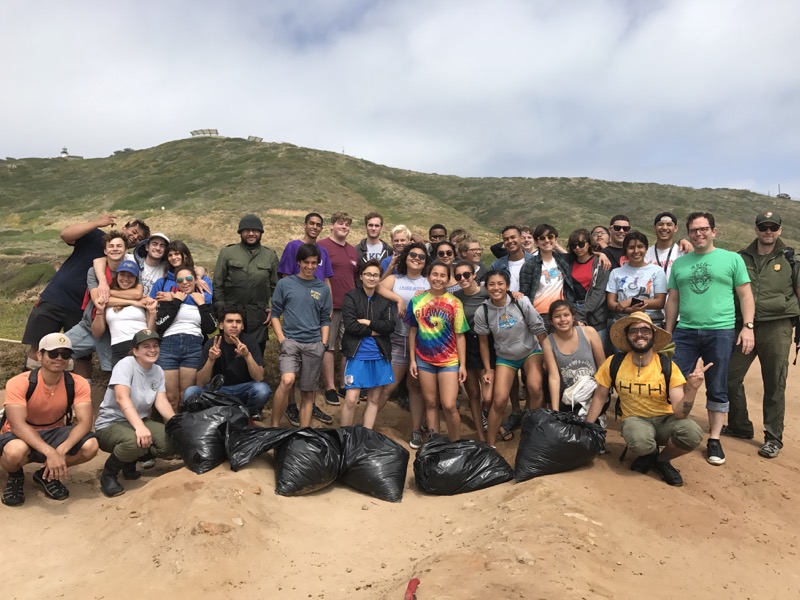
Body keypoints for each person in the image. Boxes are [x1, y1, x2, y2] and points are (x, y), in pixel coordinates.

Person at [665, 211, 755, 467]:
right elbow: (673, 299)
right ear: (688, 233)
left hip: (721, 330)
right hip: (685, 331)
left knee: (717, 384)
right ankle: (676, 428)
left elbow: (745, 295)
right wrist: (669, 331)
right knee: (676, 380)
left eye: (704, 229)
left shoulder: (731, 259)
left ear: (714, 231)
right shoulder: (680, 264)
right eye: (694, 230)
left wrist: (747, 327)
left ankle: (714, 438)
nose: (699, 234)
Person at [585, 313, 709, 487]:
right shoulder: (614, 363)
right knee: (639, 440)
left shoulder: (667, 366)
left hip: (666, 420)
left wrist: (691, 389)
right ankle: (649, 453)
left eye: (645, 329)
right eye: (633, 330)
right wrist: (588, 426)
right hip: (635, 420)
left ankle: (662, 459)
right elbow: (600, 396)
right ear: (627, 337)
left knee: (692, 433)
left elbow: (680, 413)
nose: (639, 334)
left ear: (653, 335)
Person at [22, 215, 147, 372]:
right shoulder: (97, 236)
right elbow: (65, 234)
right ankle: (28, 386)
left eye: (139, 237)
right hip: (56, 297)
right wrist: (96, 223)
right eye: (134, 231)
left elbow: (133, 289)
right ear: (124, 228)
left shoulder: (127, 264)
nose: (134, 237)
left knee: (80, 355)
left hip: (83, 310)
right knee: (39, 344)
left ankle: (79, 393)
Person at [724, 212, 800, 459]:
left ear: (779, 229)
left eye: (773, 227)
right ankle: (740, 426)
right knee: (730, 377)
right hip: (743, 325)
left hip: (777, 326)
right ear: (755, 229)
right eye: (763, 227)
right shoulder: (739, 257)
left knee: (774, 383)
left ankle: (773, 438)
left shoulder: (791, 258)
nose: (768, 231)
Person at [1, 333, 99, 506]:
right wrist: (50, 452)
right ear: (39, 355)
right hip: (22, 432)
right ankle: (15, 475)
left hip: (54, 430)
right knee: (14, 451)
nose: (59, 358)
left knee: (90, 446)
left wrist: (61, 450)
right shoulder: (19, 382)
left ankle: (47, 474)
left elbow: (85, 422)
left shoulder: (78, 383)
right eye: (53, 353)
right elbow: (17, 425)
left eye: (65, 354)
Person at [94, 329, 176, 497]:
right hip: (112, 423)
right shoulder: (126, 364)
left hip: (140, 420)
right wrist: (139, 427)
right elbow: (121, 398)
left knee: (170, 443)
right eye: (146, 346)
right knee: (134, 442)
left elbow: (161, 402)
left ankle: (128, 462)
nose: (152, 350)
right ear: (135, 351)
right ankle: (108, 475)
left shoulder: (158, 371)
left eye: (155, 345)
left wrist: (177, 423)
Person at [273, 213, 334, 426]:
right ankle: (278, 421)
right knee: (288, 379)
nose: (310, 266)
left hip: (314, 338)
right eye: (312, 223)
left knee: (308, 390)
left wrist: (323, 343)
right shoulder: (292, 249)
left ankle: (303, 430)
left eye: (313, 263)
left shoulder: (323, 257)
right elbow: (282, 290)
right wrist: (282, 339)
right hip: (291, 335)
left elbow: (326, 281)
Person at [474, 270, 546, 447]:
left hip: (530, 351)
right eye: (491, 284)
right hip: (505, 357)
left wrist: (549, 358)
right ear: (486, 287)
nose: (496, 288)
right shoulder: (482, 311)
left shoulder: (521, 301)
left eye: (500, 284)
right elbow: (483, 343)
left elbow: (539, 330)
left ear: (507, 286)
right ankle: (490, 445)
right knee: (499, 400)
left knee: (535, 387)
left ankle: (532, 431)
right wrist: (488, 368)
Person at [65, 231, 143, 380]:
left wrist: (110, 295)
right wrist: (132, 301)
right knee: (57, 349)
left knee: (110, 373)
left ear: (126, 250)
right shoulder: (94, 271)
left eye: (119, 246)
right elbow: (97, 300)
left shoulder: (131, 271)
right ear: (105, 250)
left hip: (114, 333)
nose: (115, 249)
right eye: (111, 246)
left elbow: (137, 294)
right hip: (88, 326)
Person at [406, 261, 468, 443]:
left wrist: (462, 365)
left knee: (449, 405)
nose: (438, 279)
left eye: (443, 275)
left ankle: (456, 443)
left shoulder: (455, 303)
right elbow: (412, 332)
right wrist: (412, 360)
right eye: (435, 274)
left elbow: (460, 335)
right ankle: (435, 443)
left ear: (448, 279)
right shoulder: (417, 301)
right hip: (424, 360)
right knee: (431, 403)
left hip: (449, 361)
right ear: (428, 276)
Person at [377, 243, 431, 448]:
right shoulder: (395, 279)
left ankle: (416, 430)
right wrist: (398, 298)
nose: (417, 258)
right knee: (388, 385)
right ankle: (364, 426)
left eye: (422, 256)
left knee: (415, 386)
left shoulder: (428, 281)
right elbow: (378, 286)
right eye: (413, 255)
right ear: (405, 257)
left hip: (423, 342)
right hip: (398, 339)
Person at [182, 306, 272, 418]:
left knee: (262, 390)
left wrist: (247, 355)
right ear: (221, 325)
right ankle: (207, 417)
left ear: (243, 326)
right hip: (217, 391)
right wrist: (211, 360)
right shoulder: (212, 344)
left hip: (243, 389)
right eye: (229, 321)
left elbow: (259, 378)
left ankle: (247, 415)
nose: (234, 325)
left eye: (238, 322)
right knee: (190, 392)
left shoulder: (250, 342)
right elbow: (201, 383)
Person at [340, 260, 395, 428]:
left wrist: (368, 322)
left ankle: (366, 435)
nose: (372, 278)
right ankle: (345, 436)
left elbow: (390, 326)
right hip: (357, 354)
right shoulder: (351, 297)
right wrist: (375, 330)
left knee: (374, 398)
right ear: (361, 276)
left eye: (376, 275)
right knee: (351, 399)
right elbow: (351, 326)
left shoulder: (385, 300)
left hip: (379, 354)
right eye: (368, 274)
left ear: (380, 277)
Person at [212, 214, 278, 354]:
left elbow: (275, 287)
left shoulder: (270, 255)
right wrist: (221, 310)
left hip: (258, 317)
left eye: (255, 230)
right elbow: (218, 284)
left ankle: (255, 376)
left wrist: (272, 308)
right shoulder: (227, 253)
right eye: (247, 230)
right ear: (240, 232)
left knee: (255, 353)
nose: (251, 233)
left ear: (261, 233)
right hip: (232, 313)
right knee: (229, 351)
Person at [155, 266, 218, 410]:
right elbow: (161, 323)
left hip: (193, 347)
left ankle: (184, 430)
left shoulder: (201, 299)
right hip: (168, 346)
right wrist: (176, 302)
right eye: (180, 280)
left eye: (189, 279)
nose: (185, 282)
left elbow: (211, 327)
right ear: (176, 283)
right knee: (171, 397)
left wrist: (202, 305)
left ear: (195, 280)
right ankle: (171, 430)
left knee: (186, 396)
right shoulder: (168, 298)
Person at [318, 212, 359, 407]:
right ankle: (330, 388)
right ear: (332, 225)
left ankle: (343, 384)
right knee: (329, 346)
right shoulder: (322, 246)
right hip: (330, 306)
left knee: (347, 347)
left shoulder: (352, 250)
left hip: (350, 306)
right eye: (340, 223)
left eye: (347, 224)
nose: (344, 227)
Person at [91, 260, 157, 368]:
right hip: (118, 348)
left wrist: (153, 312)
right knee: (120, 383)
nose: (126, 279)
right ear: (117, 275)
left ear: (136, 279)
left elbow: (151, 331)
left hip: (141, 343)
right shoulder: (106, 299)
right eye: (122, 274)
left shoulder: (143, 298)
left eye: (130, 276)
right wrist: (99, 311)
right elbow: (96, 333)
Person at [542, 301, 605, 412]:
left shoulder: (589, 333)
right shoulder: (548, 342)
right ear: (551, 321)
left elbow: (603, 367)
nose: (562, 320)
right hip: (568, 398)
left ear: (573, 317)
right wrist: (555, 410)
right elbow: (554, 377)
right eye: (557, 316)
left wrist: (598, 398)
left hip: (593, 393)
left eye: (566, 315)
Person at [453, 260, 492, 442]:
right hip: (465, 343)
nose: (463, 279)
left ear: (474, 275)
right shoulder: (456, 296)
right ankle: (481, 435)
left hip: (487, 343)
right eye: (458, 276)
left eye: (466, 274)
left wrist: (516, 294)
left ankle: (492, 425)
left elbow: (505, 298)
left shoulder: (487, 293)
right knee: (473, 395)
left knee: (488, 395)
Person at [606, 231, 667, 330]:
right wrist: (629, 310)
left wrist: (631, 301)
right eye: (631, 247)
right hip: (623, 325)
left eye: (640, 246)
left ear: (646, 249)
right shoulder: (616, 272)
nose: (636, 251)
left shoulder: (657, 271)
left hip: (651, 324)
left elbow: (660, 302)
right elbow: (611, 303)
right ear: (625, 250)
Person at [519, 224, 574, 332]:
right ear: (536, 242)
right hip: (538, 314)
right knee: (542, 348)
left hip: (560, 313)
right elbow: (524, 294)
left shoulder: (562, 261)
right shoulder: (529, 265)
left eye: (550, 237)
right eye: (542, 238)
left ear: (555, 239)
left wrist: (601, 254)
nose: (547, 240)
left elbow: (580, 255)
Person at [567, 228, 612, 354]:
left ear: (588, 243)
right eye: (574, 245)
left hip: (596, 317)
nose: (578, 248)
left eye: (581, 244)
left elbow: (599, 293)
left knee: (600, 356)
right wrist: (575, 316)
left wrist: (580, 315)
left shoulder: (600, 263)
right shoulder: (568, 264)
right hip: (575, 315)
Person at [489, 226, 535, 293]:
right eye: (506, 239)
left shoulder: (535, 261)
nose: (510, 241)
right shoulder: (497, 265)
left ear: (521, 239)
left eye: (513, 237)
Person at [644, 212, 686, 283]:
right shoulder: (646, 254)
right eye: (660, 224)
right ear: (654, 228)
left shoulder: (683, 253)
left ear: (675, 228)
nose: (664, 228)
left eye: (669, 224)